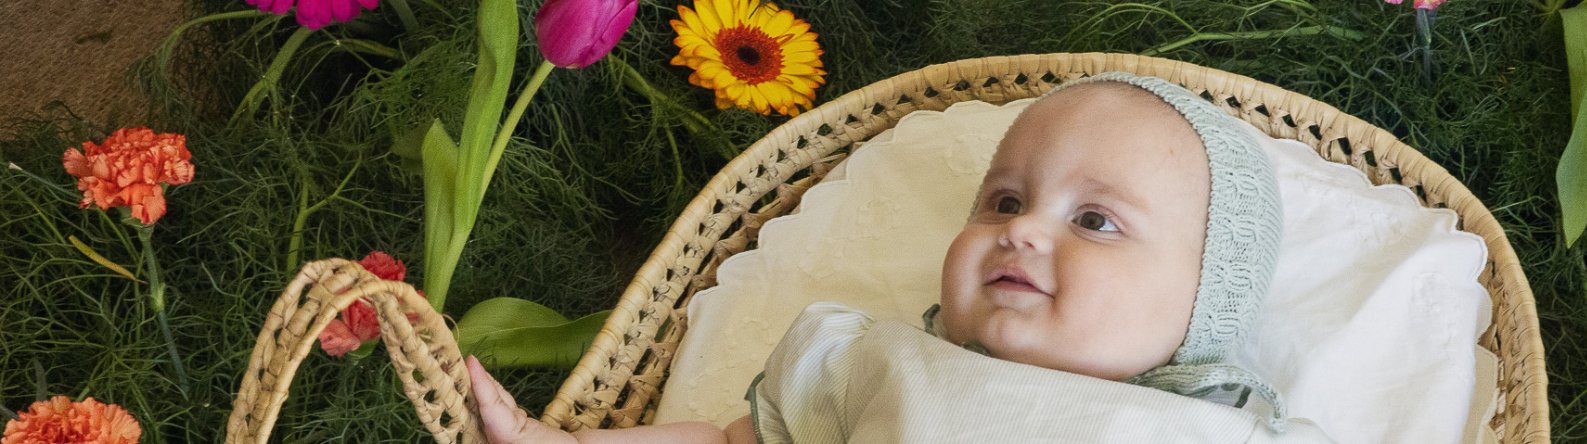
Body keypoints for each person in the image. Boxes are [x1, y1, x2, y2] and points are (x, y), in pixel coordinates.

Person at [467, 72, 1313, 443]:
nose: (1021, 231)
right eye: (1004, 202)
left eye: (1093, 220)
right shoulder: (878, 363)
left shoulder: (1222, 430)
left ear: (1205, 300)